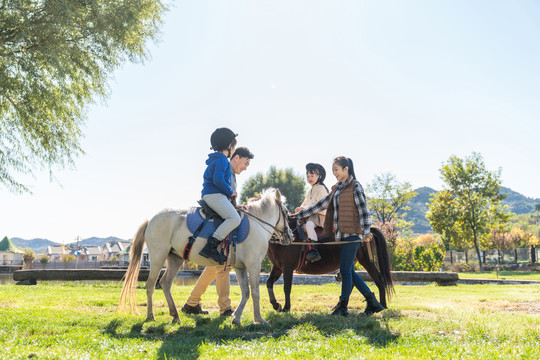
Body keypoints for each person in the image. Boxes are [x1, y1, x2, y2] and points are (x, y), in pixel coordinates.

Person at [294, 156, 385, 316]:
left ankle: (343, 307)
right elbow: (321, 205)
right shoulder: (336, 188)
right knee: (348, 270)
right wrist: (300, 214)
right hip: (340, 235)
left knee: (344, 269)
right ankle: (372, 302)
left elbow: (364, 210)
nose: (334, 173)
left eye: (336, 169)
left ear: (346, 169)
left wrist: (365, 231)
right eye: (333, 170)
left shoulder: (355, 186)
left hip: (353, 234)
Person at [182, 147, 254, 316]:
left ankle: (192, 304)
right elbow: (223, 191)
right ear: (236, 157)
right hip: (220, 218)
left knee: (217, 267)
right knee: (221, 267)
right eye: (245, 163)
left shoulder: (231, 173)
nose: (245, 167)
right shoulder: (226, 168)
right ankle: (224, 307)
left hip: (222, 213)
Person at [198, 127, 240, 264]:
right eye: (234, 146)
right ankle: (210, 246)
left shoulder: (216, 159)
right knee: (234, 218)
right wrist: (230, 192)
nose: (234, 150)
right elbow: (218, 180)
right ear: (228, 146)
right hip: (215, 194)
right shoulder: (222, 160)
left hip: (211, 194)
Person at [294, 163, 329, 262]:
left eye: (312, 175)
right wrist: (300, 208)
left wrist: (304, 209)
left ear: (320, 176)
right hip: (310, 215)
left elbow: (320, 206)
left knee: (309, 225)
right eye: (308, 176)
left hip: (319, 216)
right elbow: (305, 203)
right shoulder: (309, 190)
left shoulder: (321, 188)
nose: (309, 178)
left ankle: (314, 249)